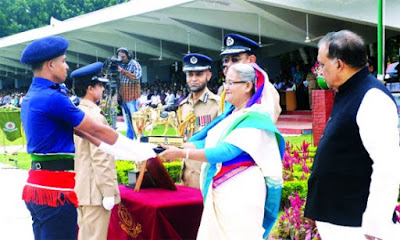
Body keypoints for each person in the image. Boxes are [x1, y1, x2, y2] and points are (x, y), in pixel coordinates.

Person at [20, 36, 156, 239]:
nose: (66, 66)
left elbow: (86, 135)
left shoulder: (34, 93)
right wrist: (144, 151)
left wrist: (125, 151)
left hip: (39, 185)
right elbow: (95, 130)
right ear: (50, 64)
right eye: (63, 61)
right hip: (55, 189)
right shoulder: (52, 97)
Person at [160, 63, 284, 239]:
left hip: (242, 191)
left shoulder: (255, 117)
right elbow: (205, 141)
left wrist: (181, 154)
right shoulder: (231, 114)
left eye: (232, 83)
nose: (226, 88)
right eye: (226, 82)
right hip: (221, 189)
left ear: (248, 86)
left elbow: (225, 152)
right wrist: (175, 147)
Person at [304, 30, 400, 240]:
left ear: (339, 64)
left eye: (322, 64)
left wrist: (376, 224)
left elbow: (388, 166)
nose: (319, 71)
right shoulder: (348, 92)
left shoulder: (372, 97)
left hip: (356, 224)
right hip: (338, 218)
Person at [71, 62, 121, 240]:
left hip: (82, 187)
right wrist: (108, 192)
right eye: (100, 86)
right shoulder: (94, 117)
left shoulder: (77, 112)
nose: (103, 90)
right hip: (95, 192)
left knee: (85, 235)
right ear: (91, 89)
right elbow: (101, 157)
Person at [177, 53, 221, 189]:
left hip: (207, 176)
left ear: (208, 76)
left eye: (199, 74)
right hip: (186, 175)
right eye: (190, 75)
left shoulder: (218, 105)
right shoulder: (183, 106)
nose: (193, 79)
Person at [220, 33, 281, 122]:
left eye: (235, 59)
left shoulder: (263, 88)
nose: (229, 64)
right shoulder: (225, 88)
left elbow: (266, 121)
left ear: (251, 60)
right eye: (226, 60)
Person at [117, 47, 142, 139]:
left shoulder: (134, 64)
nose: (121, 59)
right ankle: (130, 141)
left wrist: (123, 71)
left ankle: (141, 140)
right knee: (128, 123)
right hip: (124, 98)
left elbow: (136, 77)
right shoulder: (120, 65)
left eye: (123, 57)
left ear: (129, 56)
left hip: (133, 98)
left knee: (137, 122)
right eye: (119, 57)